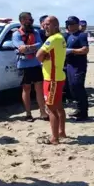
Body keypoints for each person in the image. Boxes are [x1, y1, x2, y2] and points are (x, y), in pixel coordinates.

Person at [12, 12, 49, 122]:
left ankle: (43, 112)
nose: (30, 21)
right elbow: (21, 48)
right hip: (23, 65)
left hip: (36, 63)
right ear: (22, 21)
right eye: (28, 19)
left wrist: (28, 48)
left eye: (31, 19)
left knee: (39, 88)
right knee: (26, 89)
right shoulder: (16, 34)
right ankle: (28, 113)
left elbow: (40, 45)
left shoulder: (36, 32)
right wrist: (31, 48)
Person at [36, 16, 67, 144]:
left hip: (52, 78)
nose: (44, 26)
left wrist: (43, 58)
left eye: (48, 24)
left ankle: (55, 138)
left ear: (55, 25)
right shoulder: (61, 37)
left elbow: (38, 55)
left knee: (51, 108)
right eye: (44, 24)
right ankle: (62, 132)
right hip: (58, 76)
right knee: (59, 106)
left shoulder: (53, 39)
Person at [65, 16, 89, 121]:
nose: (69, 26)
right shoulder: (69, 36)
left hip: (79, 65)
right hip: (69, 65)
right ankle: (79, 109)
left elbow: (85, 50)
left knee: (78, 86)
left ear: (76, 24)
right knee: (72, 88)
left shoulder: (81, 35)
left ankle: (83, 112)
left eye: (71, 24)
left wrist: (72, 51)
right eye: (68, 24)